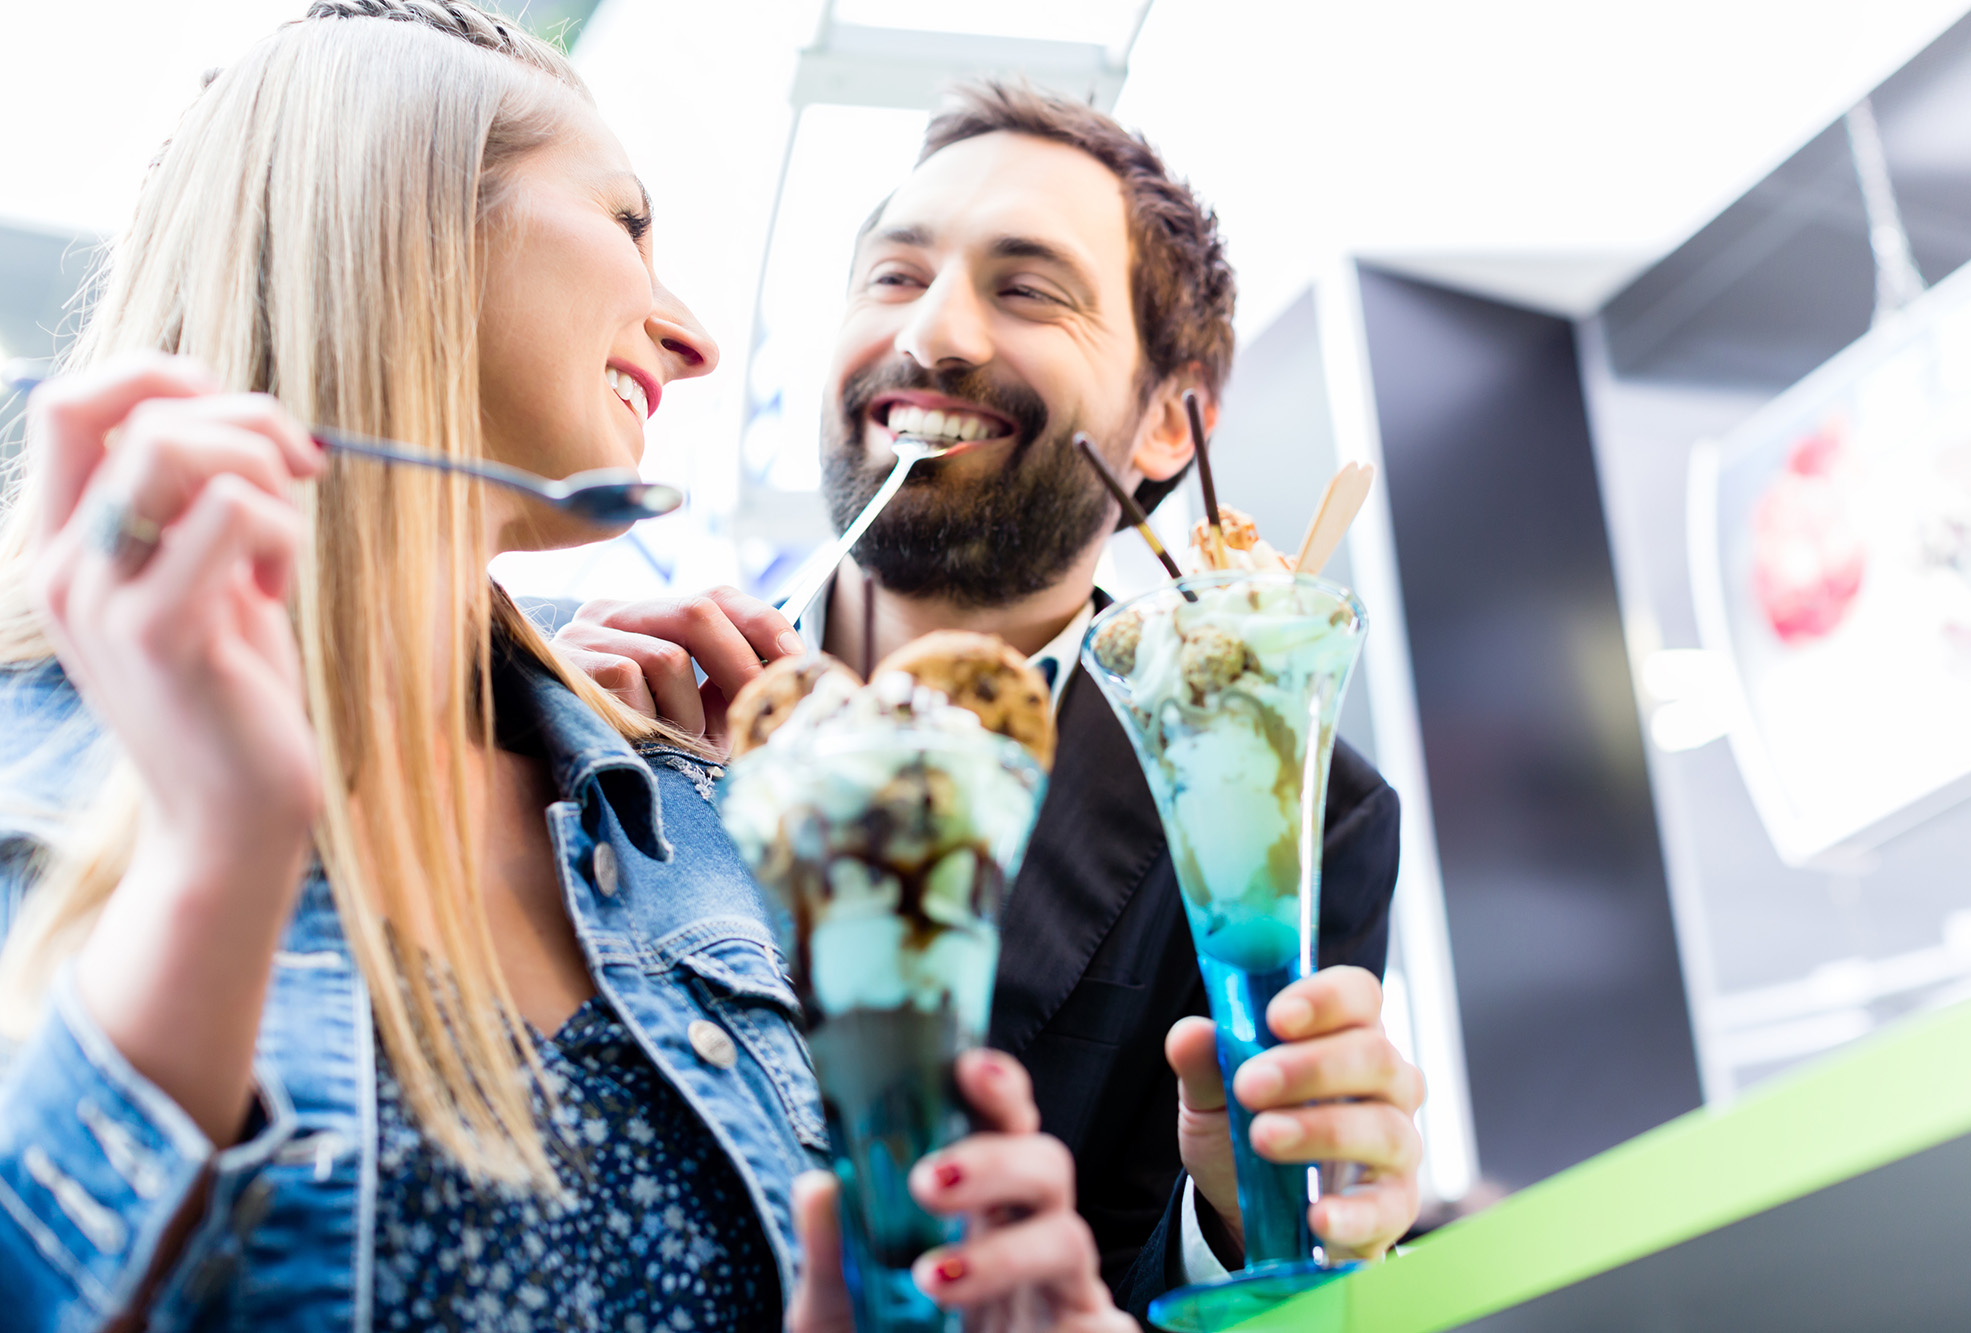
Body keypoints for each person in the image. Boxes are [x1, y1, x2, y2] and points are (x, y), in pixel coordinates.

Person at [0, 7, 1131, 1331]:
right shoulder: (44, 788)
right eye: (629, 224)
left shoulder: (673, 811)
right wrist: (223, 846)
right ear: (403, 222)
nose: (695, 337)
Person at [551, 82, 1427, 1315]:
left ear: (1172, 422)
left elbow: (1222, 1269)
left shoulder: (1287, 788)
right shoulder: (595, 695)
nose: (934, 335)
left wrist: (1245, 1215)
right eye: (893, 276)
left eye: (1027, 290)